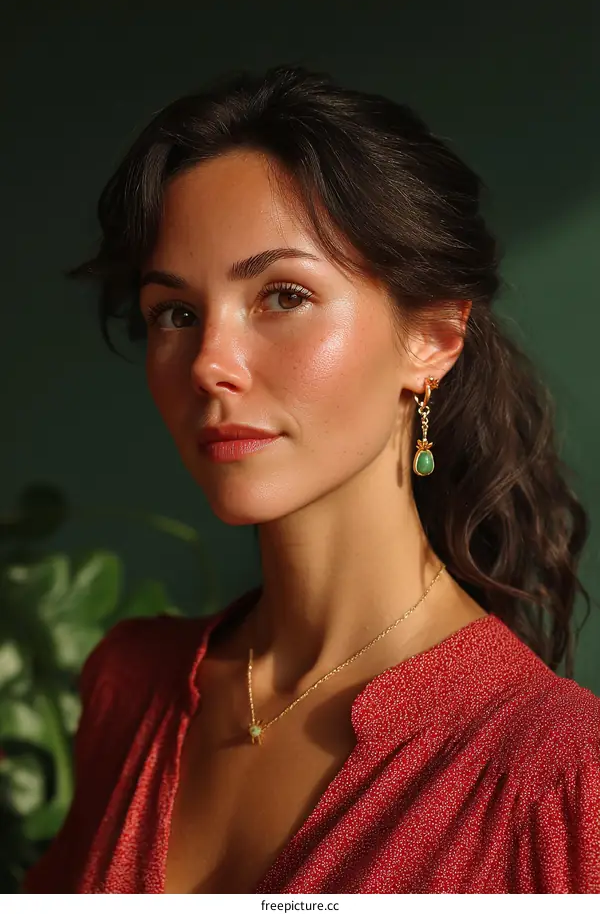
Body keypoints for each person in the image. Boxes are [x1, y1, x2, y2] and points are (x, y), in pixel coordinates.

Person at [23, 64, 600, 894]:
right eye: (175, 314)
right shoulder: (131, 688)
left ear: (433, 338)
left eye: (283, 295)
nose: (209, 364)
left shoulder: (556, 780)